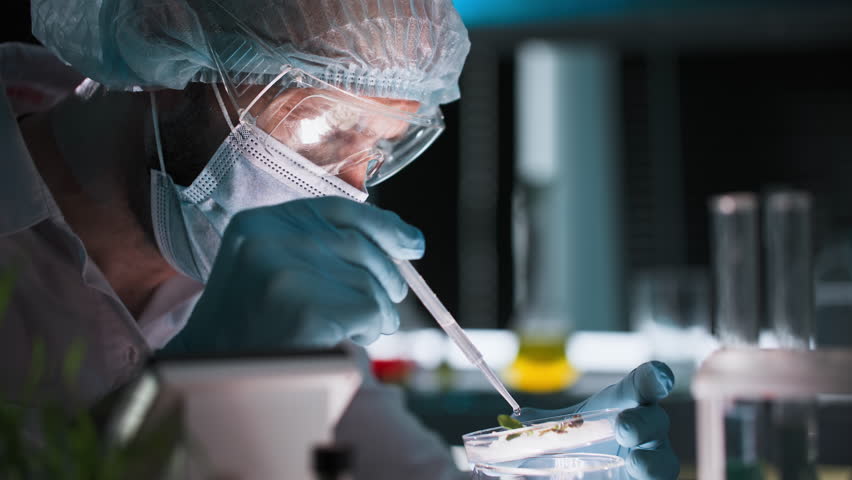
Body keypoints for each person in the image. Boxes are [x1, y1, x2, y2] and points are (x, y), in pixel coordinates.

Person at [0, 1, 678, 478]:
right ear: (169, 50)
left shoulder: (274, 290)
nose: (348, 189)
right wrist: (206, 381)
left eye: (376, 156)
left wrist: (536, 459)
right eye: (324, 131)